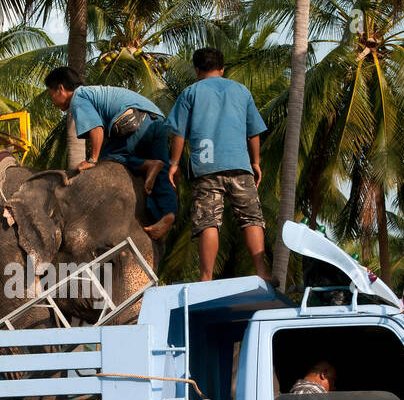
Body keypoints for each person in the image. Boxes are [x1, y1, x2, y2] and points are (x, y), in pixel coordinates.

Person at [163, 47, 271, 281]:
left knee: (208, 221)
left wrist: (173, 163)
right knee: (251, 218)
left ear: (197, 69)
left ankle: (206, 278)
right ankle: (262, 272)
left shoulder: (190, 92)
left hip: (206, 166)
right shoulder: (241, 91)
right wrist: (256, 162)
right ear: (222, 69)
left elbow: (179, 134)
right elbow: (254, 133)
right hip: (239, 165)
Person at [44, 67, 177, 241]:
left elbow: (97, 129)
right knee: (163, 173)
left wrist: (93, 159)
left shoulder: (78, 98)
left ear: (60, 88)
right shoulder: (93, 92)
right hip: (157, 120)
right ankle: (168, 215)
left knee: (109, 158)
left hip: (134, 121)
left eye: (51, 94)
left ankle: (147, 164)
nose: (52, 100)